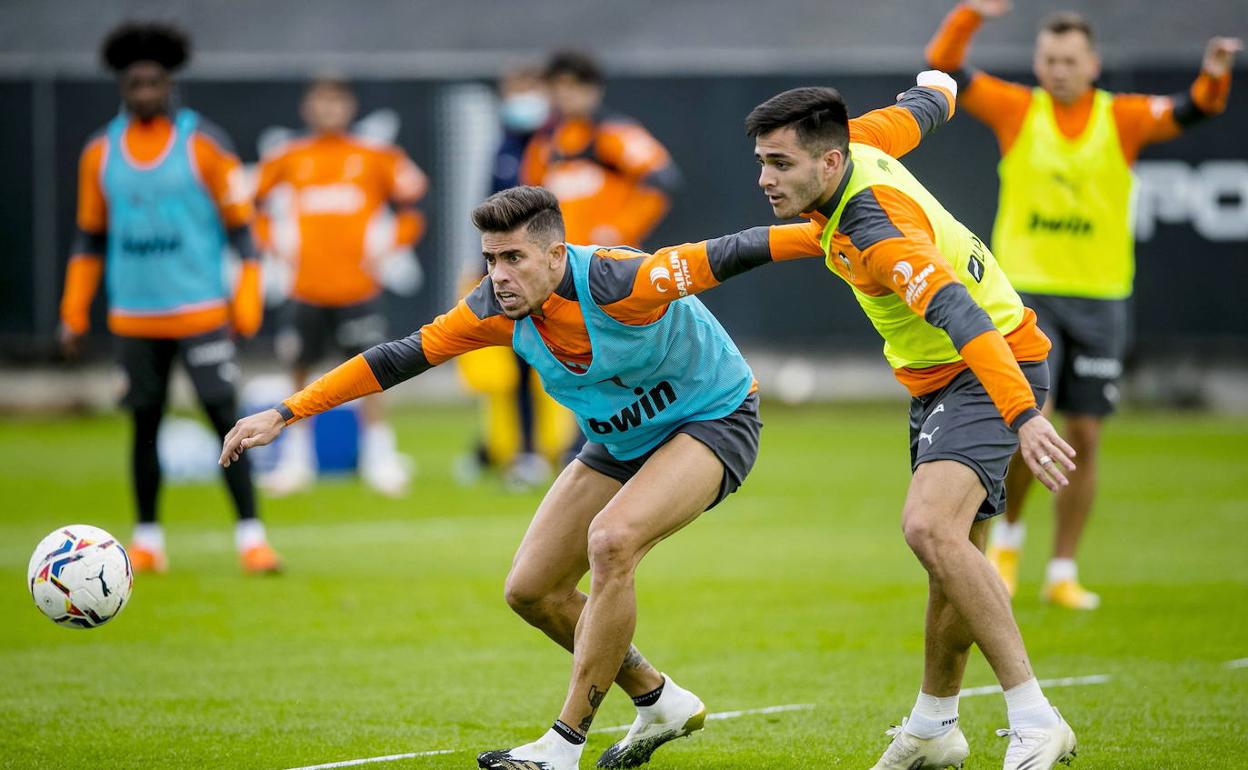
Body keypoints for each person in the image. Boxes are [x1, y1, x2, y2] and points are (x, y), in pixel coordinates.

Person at [220, 73, 963, 770]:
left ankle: (563, 741)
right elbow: (396, 358)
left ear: (555, 254)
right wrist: (285, 412)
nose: (497, 276)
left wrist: (841, 235)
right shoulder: (489, 308)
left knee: (613, 541)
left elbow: (731, 251)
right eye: (488, 260)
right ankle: (658, 700)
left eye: (513, 259)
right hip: (621, 438)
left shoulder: (621, 282)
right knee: (532, 590)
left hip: (713, 418)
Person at [743, 72, 1079, 769]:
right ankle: (933, 727)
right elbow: (918, 112)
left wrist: (1024, 416)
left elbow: (962, 313)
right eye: (761, 163)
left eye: (779, 164)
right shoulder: (857, 138)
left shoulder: (878, 229)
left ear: (828, 163)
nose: (765, 179)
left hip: (988, 365)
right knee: (951, 557)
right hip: (939, 378)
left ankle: (1036, 718)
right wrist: (941, 86)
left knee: (928, 528)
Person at [926, 0, 1241, 609]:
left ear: (1092, 63)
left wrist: (1217, 69)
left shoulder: (1120, 118)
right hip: (1028, 297)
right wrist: (968, 13)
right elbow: (942, 67)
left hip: (1100, 298)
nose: (1058, 70)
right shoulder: (1020, 109)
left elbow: (1198, 107)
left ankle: (1063, 569)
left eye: (1070, 60)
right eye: (1048, 59)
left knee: (1086, 434)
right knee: (1026, 423)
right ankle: (1008, 545)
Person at [58, 23, 280, 574]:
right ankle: (148, 541)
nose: (145, 93)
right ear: (122, 88)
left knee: (225, 419)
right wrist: (72, 309)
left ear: (170, 84)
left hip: (200, 311)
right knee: (144, 423)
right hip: (134, 317)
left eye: (155, 82)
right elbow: (90, 237)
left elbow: (242, 229)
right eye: (135, 84)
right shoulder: (99, 153)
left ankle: (252, 538)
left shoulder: (204, 143)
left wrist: (246, 295)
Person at [253, 75, 430, 497]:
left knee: (373, 372)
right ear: (307, 108)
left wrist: (390, 246)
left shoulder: (373, 155)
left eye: (337, 102)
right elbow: (250, 202)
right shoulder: (290, 156)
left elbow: (414, 203)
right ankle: (297, 460)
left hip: (358, 287)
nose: (329, 110)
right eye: (321, 102)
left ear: (350, 108)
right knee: (299, 371)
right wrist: (273, 244)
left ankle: (379, 457)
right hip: (306, 287)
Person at [456, 64, 576, 490]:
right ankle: (520, 451)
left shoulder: (566, 140)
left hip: (561, 267)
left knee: (579, 355)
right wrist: (485, 266)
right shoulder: (505, 147)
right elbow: (491, 213)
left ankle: (576, 447)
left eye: (527, 90)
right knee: (521, 359)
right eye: (513, 91)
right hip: (519, 271)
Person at [520, 49, 681, 248]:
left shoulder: (615, 134)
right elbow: (531, 197)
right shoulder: (545, 142)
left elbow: (662, 180)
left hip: (608, 260)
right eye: (558, 86)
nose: (565, 93)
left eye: (574, 85)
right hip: (561, 259)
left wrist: (621, 230)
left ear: (593, 89)